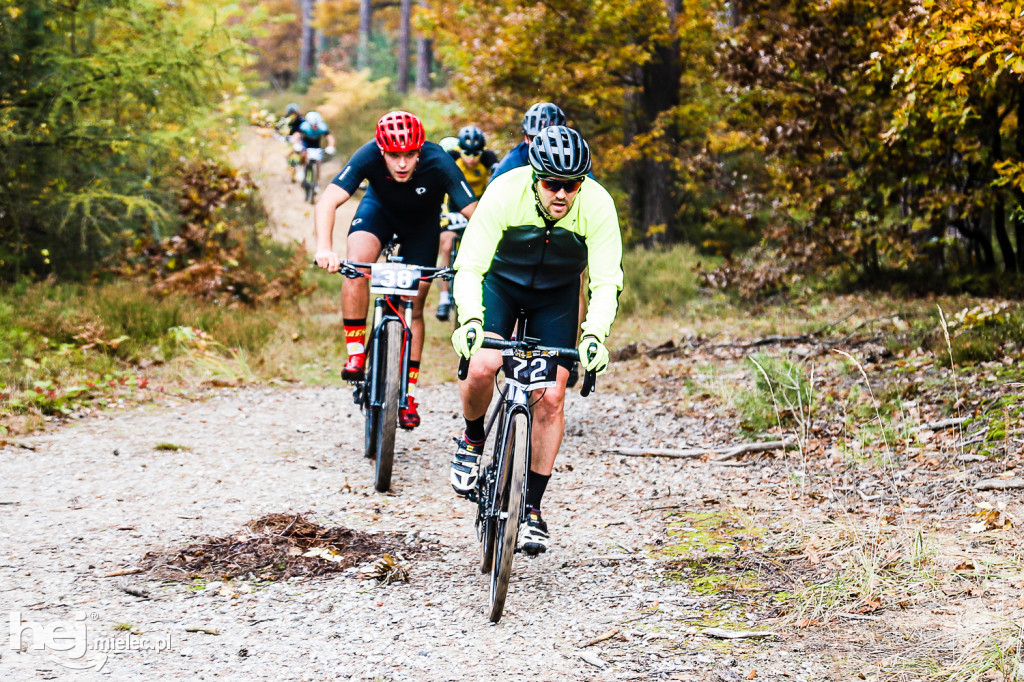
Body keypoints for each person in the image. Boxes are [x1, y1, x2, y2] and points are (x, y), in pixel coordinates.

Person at [448, 126, 622, 555]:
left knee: (551, 398)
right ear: (534, 177)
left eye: (572, 186)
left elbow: (605, 282)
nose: (561, 195)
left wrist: (595, 336)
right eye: (551, 184)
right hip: (501, 286)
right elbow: (469, 266)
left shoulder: (598, 205)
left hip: (555, 297)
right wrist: (470, 319)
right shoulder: (506, 191)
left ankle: (532, 509)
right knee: (483, 365)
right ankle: (471, 442)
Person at [313, 111, 477, 429]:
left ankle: (408, 395)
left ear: (420, 151)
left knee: (413, 307)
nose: (402, 164)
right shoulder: (368, 154)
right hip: (379, 213)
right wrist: (324, 247)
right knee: (357, 264)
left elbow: (477, 214)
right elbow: (327, 201)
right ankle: (356, 351)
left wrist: (481, 259)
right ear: (381, 150)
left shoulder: (439, 160)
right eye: (394, 155)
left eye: (409, 155)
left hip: (423, 227)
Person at [436, 126, 499, 321]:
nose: (471, 158)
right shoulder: (451, 158)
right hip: (453, 206)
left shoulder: (488, 159)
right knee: (447, 242)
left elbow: (498, 178)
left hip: (476, 206)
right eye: (467, 153)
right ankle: (444, 297)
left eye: (476, 153)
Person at [488, 102, 566, 182]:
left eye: (551, 139)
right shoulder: (512, 163)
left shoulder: (572, 154)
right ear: (526, 138)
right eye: (535, 139)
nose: (543, 145)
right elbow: (491, 190)